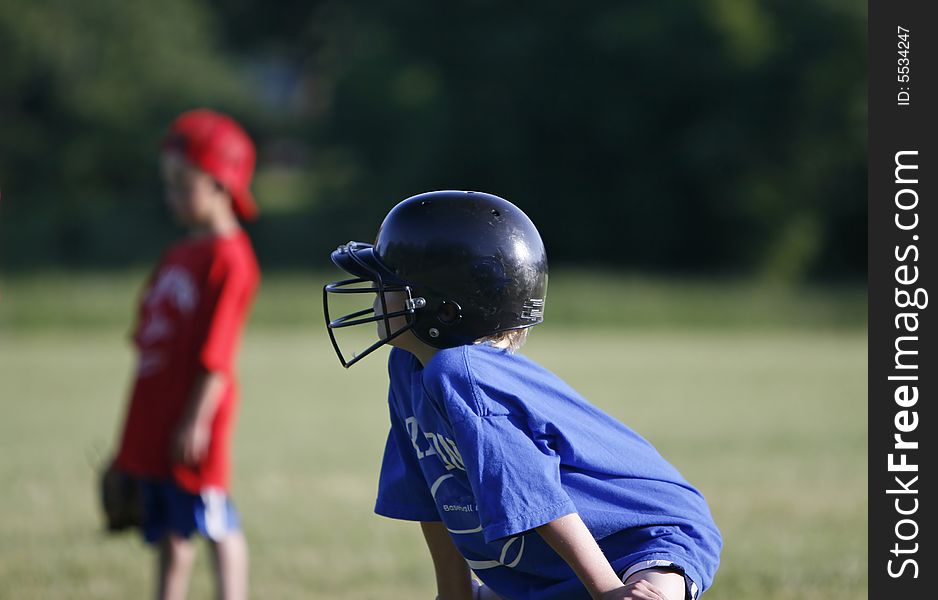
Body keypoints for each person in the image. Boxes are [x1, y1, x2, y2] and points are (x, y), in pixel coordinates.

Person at [322, 190, 722, 600]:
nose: (373, 298)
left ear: (443, 310)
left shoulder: (460, 374)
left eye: (385, 285)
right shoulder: (408, 369)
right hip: (555, 567)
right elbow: (433, 494)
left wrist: (607, 591)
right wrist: (454, 594)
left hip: (641, 541)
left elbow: (531, 492)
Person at [111, 109, 260, 600]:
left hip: (196, 414)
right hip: (158, 408)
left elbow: (216, 355)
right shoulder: (178, 254)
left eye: (184, 183)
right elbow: (149, 342)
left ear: (222, 183)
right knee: (169, 534)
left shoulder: (230, 258)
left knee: (212, 516)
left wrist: (195, 419)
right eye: (167, 184)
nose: (171, 195)